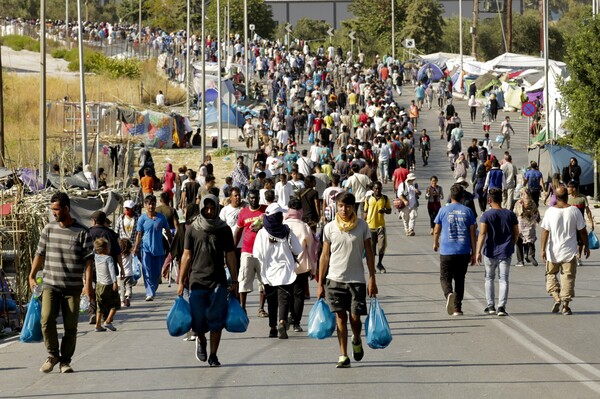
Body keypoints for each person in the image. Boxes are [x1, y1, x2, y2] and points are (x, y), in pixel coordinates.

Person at [28, 192, 94, 373]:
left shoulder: (82, 232)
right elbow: (39, 254)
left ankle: (65, 361)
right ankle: (53, 355)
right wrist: (31, 275)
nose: (54, 213)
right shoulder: (48, 229)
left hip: (73, 287)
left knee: (70, 326)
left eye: (56, 210)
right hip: (50, 284)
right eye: (52, 210)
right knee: (46, 319)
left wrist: (88, 286)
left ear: (66, 208)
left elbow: (89, 261)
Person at [317, 192, 377, 368]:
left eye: (348, 206)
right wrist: (320, 283)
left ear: (353, 207)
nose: (344, 209)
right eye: (341, 206)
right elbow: (324, 256)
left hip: (357, 280)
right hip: (334, 280)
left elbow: (370, 254)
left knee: (355, 318)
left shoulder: (362, 227)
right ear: (336, 205)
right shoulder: (329, 228)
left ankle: (356, 339)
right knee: (341, 317)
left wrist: (372, 278)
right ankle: (343, 355)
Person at [177, 194, 238, 367]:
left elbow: (231, 256)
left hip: (218, 281)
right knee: (197, 321)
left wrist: (234, 280)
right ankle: (201, 340)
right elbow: (186, 256)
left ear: (217, 208)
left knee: (217, 321)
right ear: (202, 207)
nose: (209, 211)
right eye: (206, 208)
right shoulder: (193, 229)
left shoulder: (224, 229)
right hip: (197, 282)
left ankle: (213, 355)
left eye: (212, 208)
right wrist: (181, 281)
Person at [253, 203, 303, 339]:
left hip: (268, 273)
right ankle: (282, 321)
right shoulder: (286, 230)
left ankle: (273, 328)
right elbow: (298, 250)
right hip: (285, 271)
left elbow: (256, 254)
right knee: (284, 299)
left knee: (272, 301)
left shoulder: (262, 233)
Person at [540, 186, 590, 315]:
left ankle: (556, 297)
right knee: (568, 278)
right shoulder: (574, 211)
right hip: (569, 251)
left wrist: (542, 249)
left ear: (555, 197)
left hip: (553, 251)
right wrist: (586, 246)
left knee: (550, 274)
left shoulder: (550, 211)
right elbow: (583, 231)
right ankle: (565, 306)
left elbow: (545, 231)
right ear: (567, 196)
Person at [433, 184, 477, 316]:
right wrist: (474, 252)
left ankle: (448, 293)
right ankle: (457, 307)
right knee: (460, 278)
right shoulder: (468, 211)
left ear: (450, 196)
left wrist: (435, 243)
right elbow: (472, 234)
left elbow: (436, 230)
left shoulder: (443, 210)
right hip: (463, 251)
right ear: (462, 196)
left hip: (447, 250)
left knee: (444, 277)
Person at [475, 188, 519, 316]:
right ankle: (501, 307)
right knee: (503, 279)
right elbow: (516, 233)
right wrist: (511, 245)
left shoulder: (486, 215)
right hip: (505, 252)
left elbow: (482, 233)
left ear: (489, 199)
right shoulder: (510, 214)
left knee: (489, 278)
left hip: (490, 251)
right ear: (502, 198)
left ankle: (490, 306)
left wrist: (478, 251)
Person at [283, 199, 317, 332]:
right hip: (301, 267)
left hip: (285, 267)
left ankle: (284, 319)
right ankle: (296, 322)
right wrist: (313, 269)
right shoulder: (304, 227)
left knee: (286, 294)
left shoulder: (282, 224)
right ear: (300, 211)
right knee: (299, 296)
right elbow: (311, 250)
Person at [234, 190, 268, 316]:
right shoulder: (243, 212)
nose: (254, 200)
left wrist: (263, 226)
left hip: (263, 251)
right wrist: (232, 247)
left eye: (256, 198)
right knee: (243, 279)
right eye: (252, 198)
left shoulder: (265, 210)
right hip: (247, 251)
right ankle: (242, 308)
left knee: (263, 281)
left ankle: (261, 308)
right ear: (248, 198)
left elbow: (274, 225)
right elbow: (238, 231)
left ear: (259, 198)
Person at [133, 195, 173, 301]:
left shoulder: (161, 218)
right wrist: (136, 247)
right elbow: (139, 234)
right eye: (149, 204)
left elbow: (168, 232)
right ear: (146, 205)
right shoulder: (142, 218)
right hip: (145, 249)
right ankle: (149, 292)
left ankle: (152, 290)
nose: (151, 206)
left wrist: (172, 245)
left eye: (153, 204)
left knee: (156, 274)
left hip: (159, 250)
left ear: (156, 204)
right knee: (146, 271)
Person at [93, 238, 120, 332]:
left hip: (99, 285)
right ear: (105, 248)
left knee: (100, 305)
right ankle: (108, 321)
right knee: (115, 303)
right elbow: (112, 271)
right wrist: (115, 282)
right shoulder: (108, 258)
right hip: (108, 284)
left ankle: (97, 325)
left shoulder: (95, 257)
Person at [364, 181, 392, 273]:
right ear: (373, 189)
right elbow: (365, 212)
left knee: (382, 246)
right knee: (372, 249)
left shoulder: (385, 198)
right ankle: (372, 266)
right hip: (370, 226)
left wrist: (384, 210)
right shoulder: (368, 199)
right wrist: (363, 224)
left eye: (379, 188)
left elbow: (389, 210)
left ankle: (379, 263)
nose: (377, 190)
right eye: (375, 188)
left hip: (381, 226)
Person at [567, 180, 595, 265]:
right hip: (569, 223)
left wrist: (591, 222)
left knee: (580, 241)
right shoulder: (567, 198)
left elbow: (588, 211)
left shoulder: (582, 198)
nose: (567, 189)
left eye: (569, 187)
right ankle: (571, 257)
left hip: (580, 223)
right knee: (569, 241)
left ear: (574, 189)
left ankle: (578, 257)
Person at [514, 188, 541, 267]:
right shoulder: (532, 203)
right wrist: (537, 220)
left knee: (519, 243)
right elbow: (536, 213)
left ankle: (520, 261)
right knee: (530, 241)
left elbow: (515, 213)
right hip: (530, 225)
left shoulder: (519, 202)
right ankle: (530, 255)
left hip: (520, 225)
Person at [118, 238, 135, 307]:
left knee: (122, 288)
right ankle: (128, 296)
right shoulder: (130, 254)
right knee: (129, 286)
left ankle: (122, 301)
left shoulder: (119, 255)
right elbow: (132, 261)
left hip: (121, 274)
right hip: (129, 273)